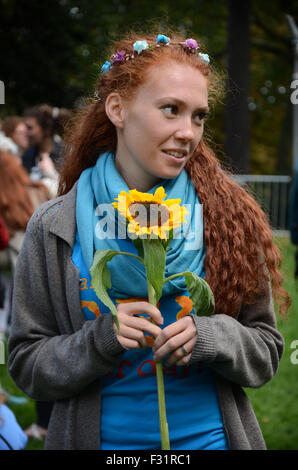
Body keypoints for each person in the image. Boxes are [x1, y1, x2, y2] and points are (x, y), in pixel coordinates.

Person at [7, 30, 290, 451]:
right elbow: (27, 365)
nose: (188, 132)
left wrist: (211, 337)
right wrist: (100, 340)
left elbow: (266, 352)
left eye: (198, 116)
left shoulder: (229, 218)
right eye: (170, 110)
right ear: (118, 110)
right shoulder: (55, 224)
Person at [22, 104, 66, 198]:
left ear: (45, 130)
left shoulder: (64, 154)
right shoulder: (28, 155)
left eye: (30, 128)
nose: (25, 132)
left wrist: (50, 173)